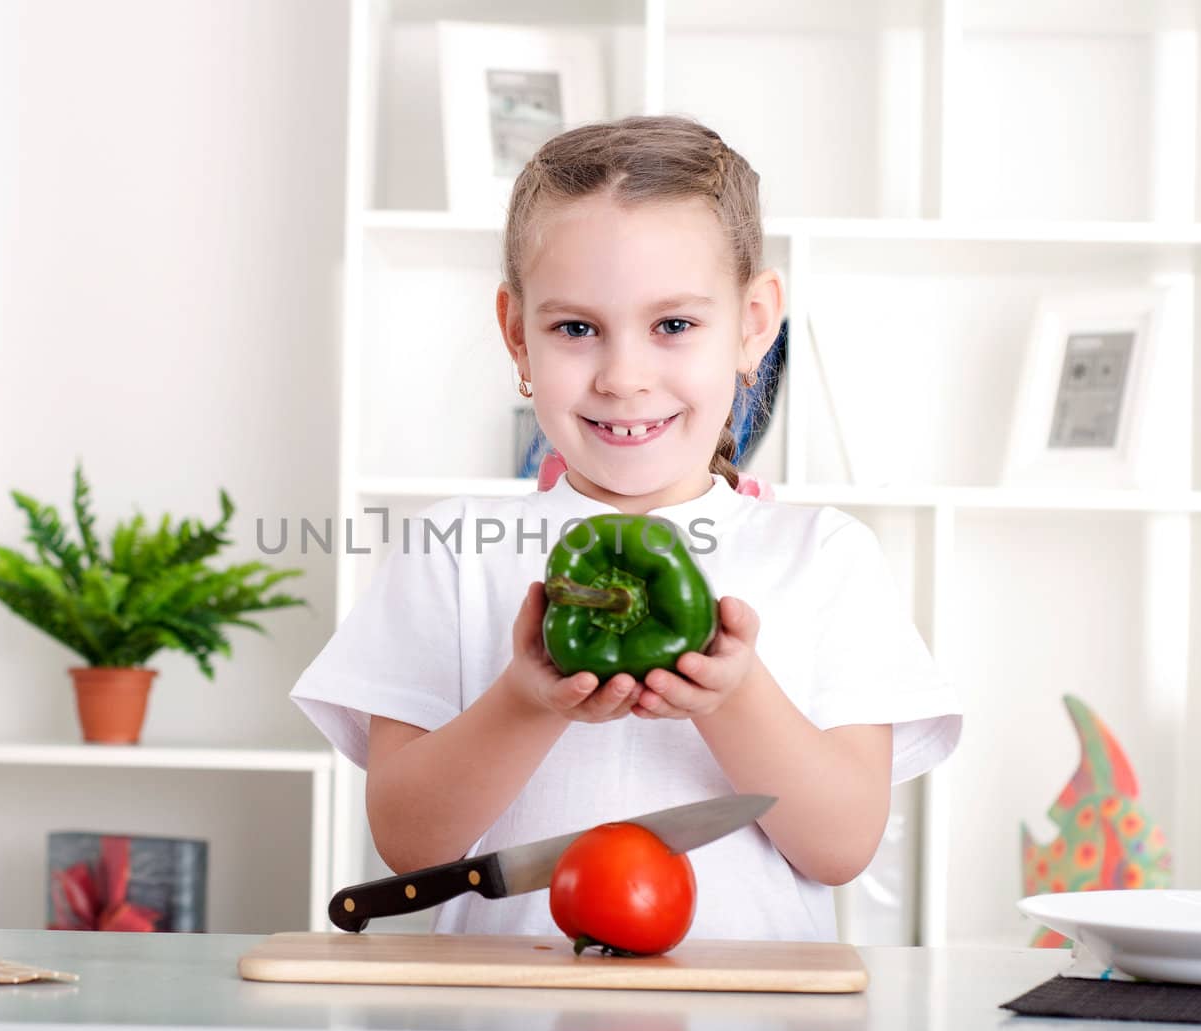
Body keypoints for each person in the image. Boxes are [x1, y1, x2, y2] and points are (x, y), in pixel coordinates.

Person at [290, 115, 961, 941]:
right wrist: (525, 701)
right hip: (502, 1023)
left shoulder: (823, 556)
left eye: (673, 325)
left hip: (749, 1027)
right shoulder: (453, 550)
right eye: (576, 328)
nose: (624, 376)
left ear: (754, 323)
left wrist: (736, 695)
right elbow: (405, 837)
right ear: (517, 333)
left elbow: (841, 844)